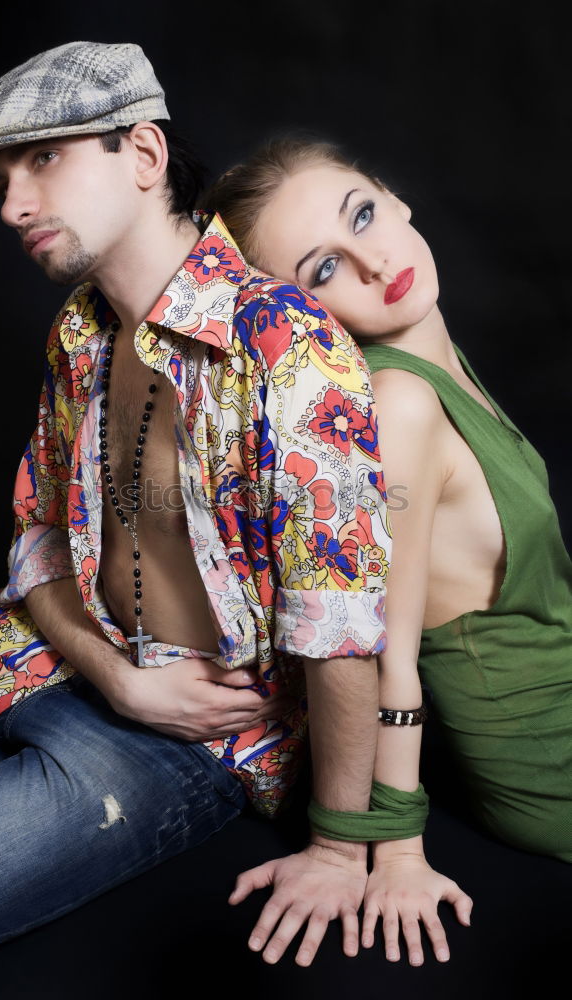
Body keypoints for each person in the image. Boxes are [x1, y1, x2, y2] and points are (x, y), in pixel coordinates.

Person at [0, 43, 453, 977]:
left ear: (147, 156)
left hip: (207, 738)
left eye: (45, 159)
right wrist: (110, 672)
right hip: (51, 642)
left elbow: (341, 630)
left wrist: (336, 844)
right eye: (2, 179)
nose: (13, 205)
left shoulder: (285, 346)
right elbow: (39, 529)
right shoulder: (80, 329)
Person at [204, 133, 572, 945]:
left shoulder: (433, 350)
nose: (373, 263)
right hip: (545, 744)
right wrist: (392, 846)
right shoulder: (399, 405)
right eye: (323, 270)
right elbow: (383, 653)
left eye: (362, 214)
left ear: (392, 195)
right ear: (299, 312)